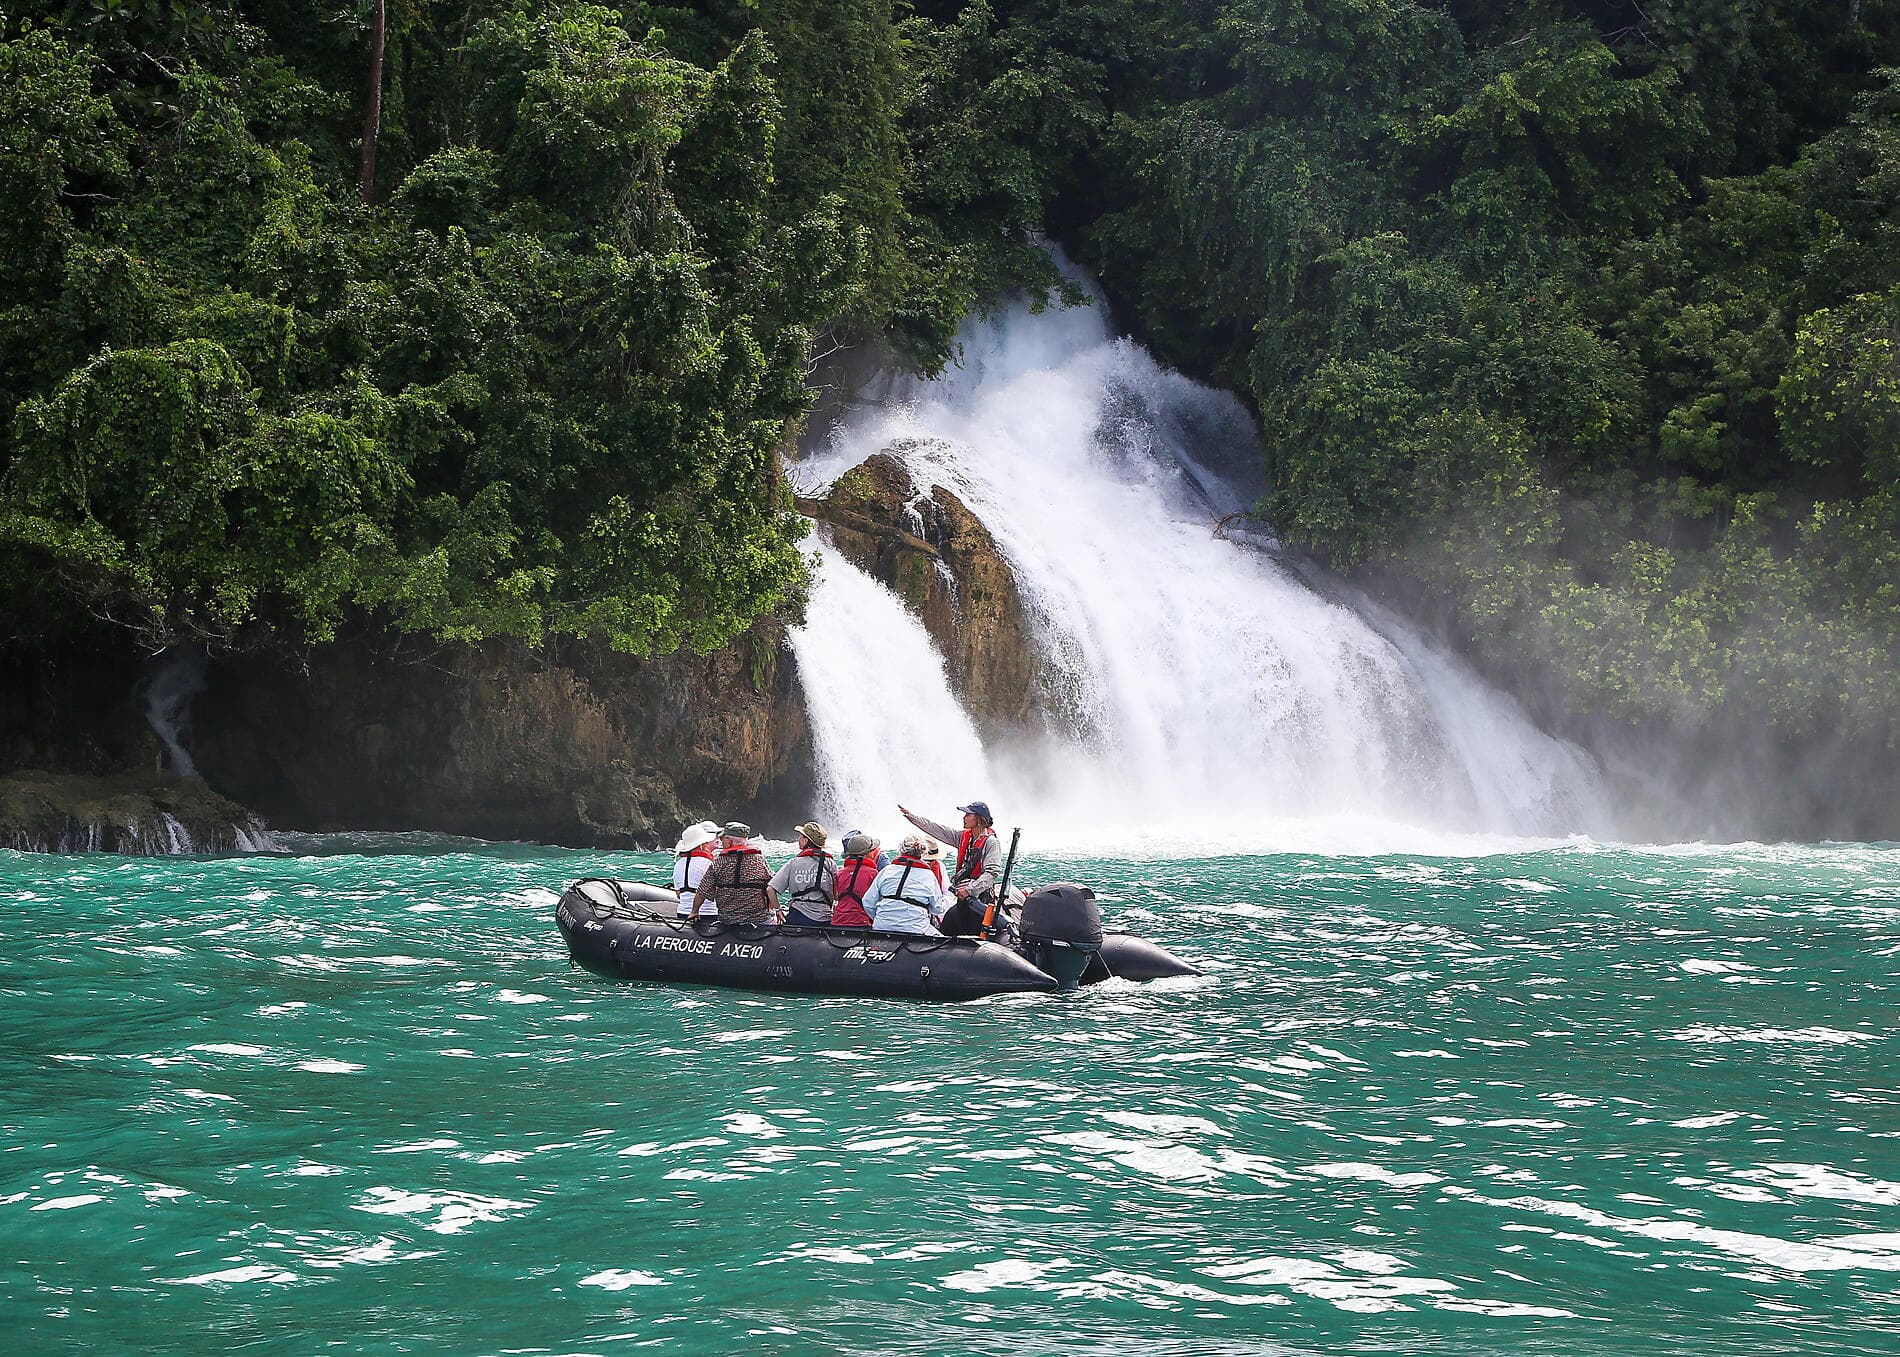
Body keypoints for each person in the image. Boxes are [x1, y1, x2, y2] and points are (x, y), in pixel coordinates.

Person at [897, 800, 1000, 937]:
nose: (964, 817)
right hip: (963, 898)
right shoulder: (963, 837)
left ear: (979, 819)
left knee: (970, 933)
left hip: (979, 901)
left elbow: (991, 873)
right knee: (948, 927)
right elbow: (937, 829)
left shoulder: (991, 842)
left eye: (968, 815)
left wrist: (970, 890)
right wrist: (912, 817)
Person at [690, 822, 773, 924]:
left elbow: (702, 891)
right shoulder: (759, 860)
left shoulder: (719, 862)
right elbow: (771, 888)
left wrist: (694, 911)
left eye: (722, 839)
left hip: (728, 920)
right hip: (758, 919)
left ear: (729, 841)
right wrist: (774, 909)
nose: (721, 842)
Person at [862, 834, 943, 935]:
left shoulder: (887, 871)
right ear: (922, 853)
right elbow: (938, 908)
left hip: (882, 926)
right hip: (915, 929)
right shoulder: (929, 875)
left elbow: (867, 902)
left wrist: (880, 918)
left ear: (901, 851)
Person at [769, 820, 836, 927]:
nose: (797, 839)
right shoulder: (830, 863)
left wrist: (778, 910)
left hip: (797, 916)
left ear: (806, 841)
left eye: (800, 836)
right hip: (824, 918)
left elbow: (770, 889)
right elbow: (837, 894)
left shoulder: (793, 863)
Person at [831, 832, 881, 930]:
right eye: (871, 850)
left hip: (838, 922)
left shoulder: (839, 873)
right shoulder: (873, 874)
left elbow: (836, 897)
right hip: (862, 923)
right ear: (866, 854)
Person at [670, 822, 720, 917]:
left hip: (682, 912)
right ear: (701, 845)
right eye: (705, 843)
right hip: (707, 913)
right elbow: (716, 891)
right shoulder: (708, 863)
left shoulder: (678, 864)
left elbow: (678, 894)